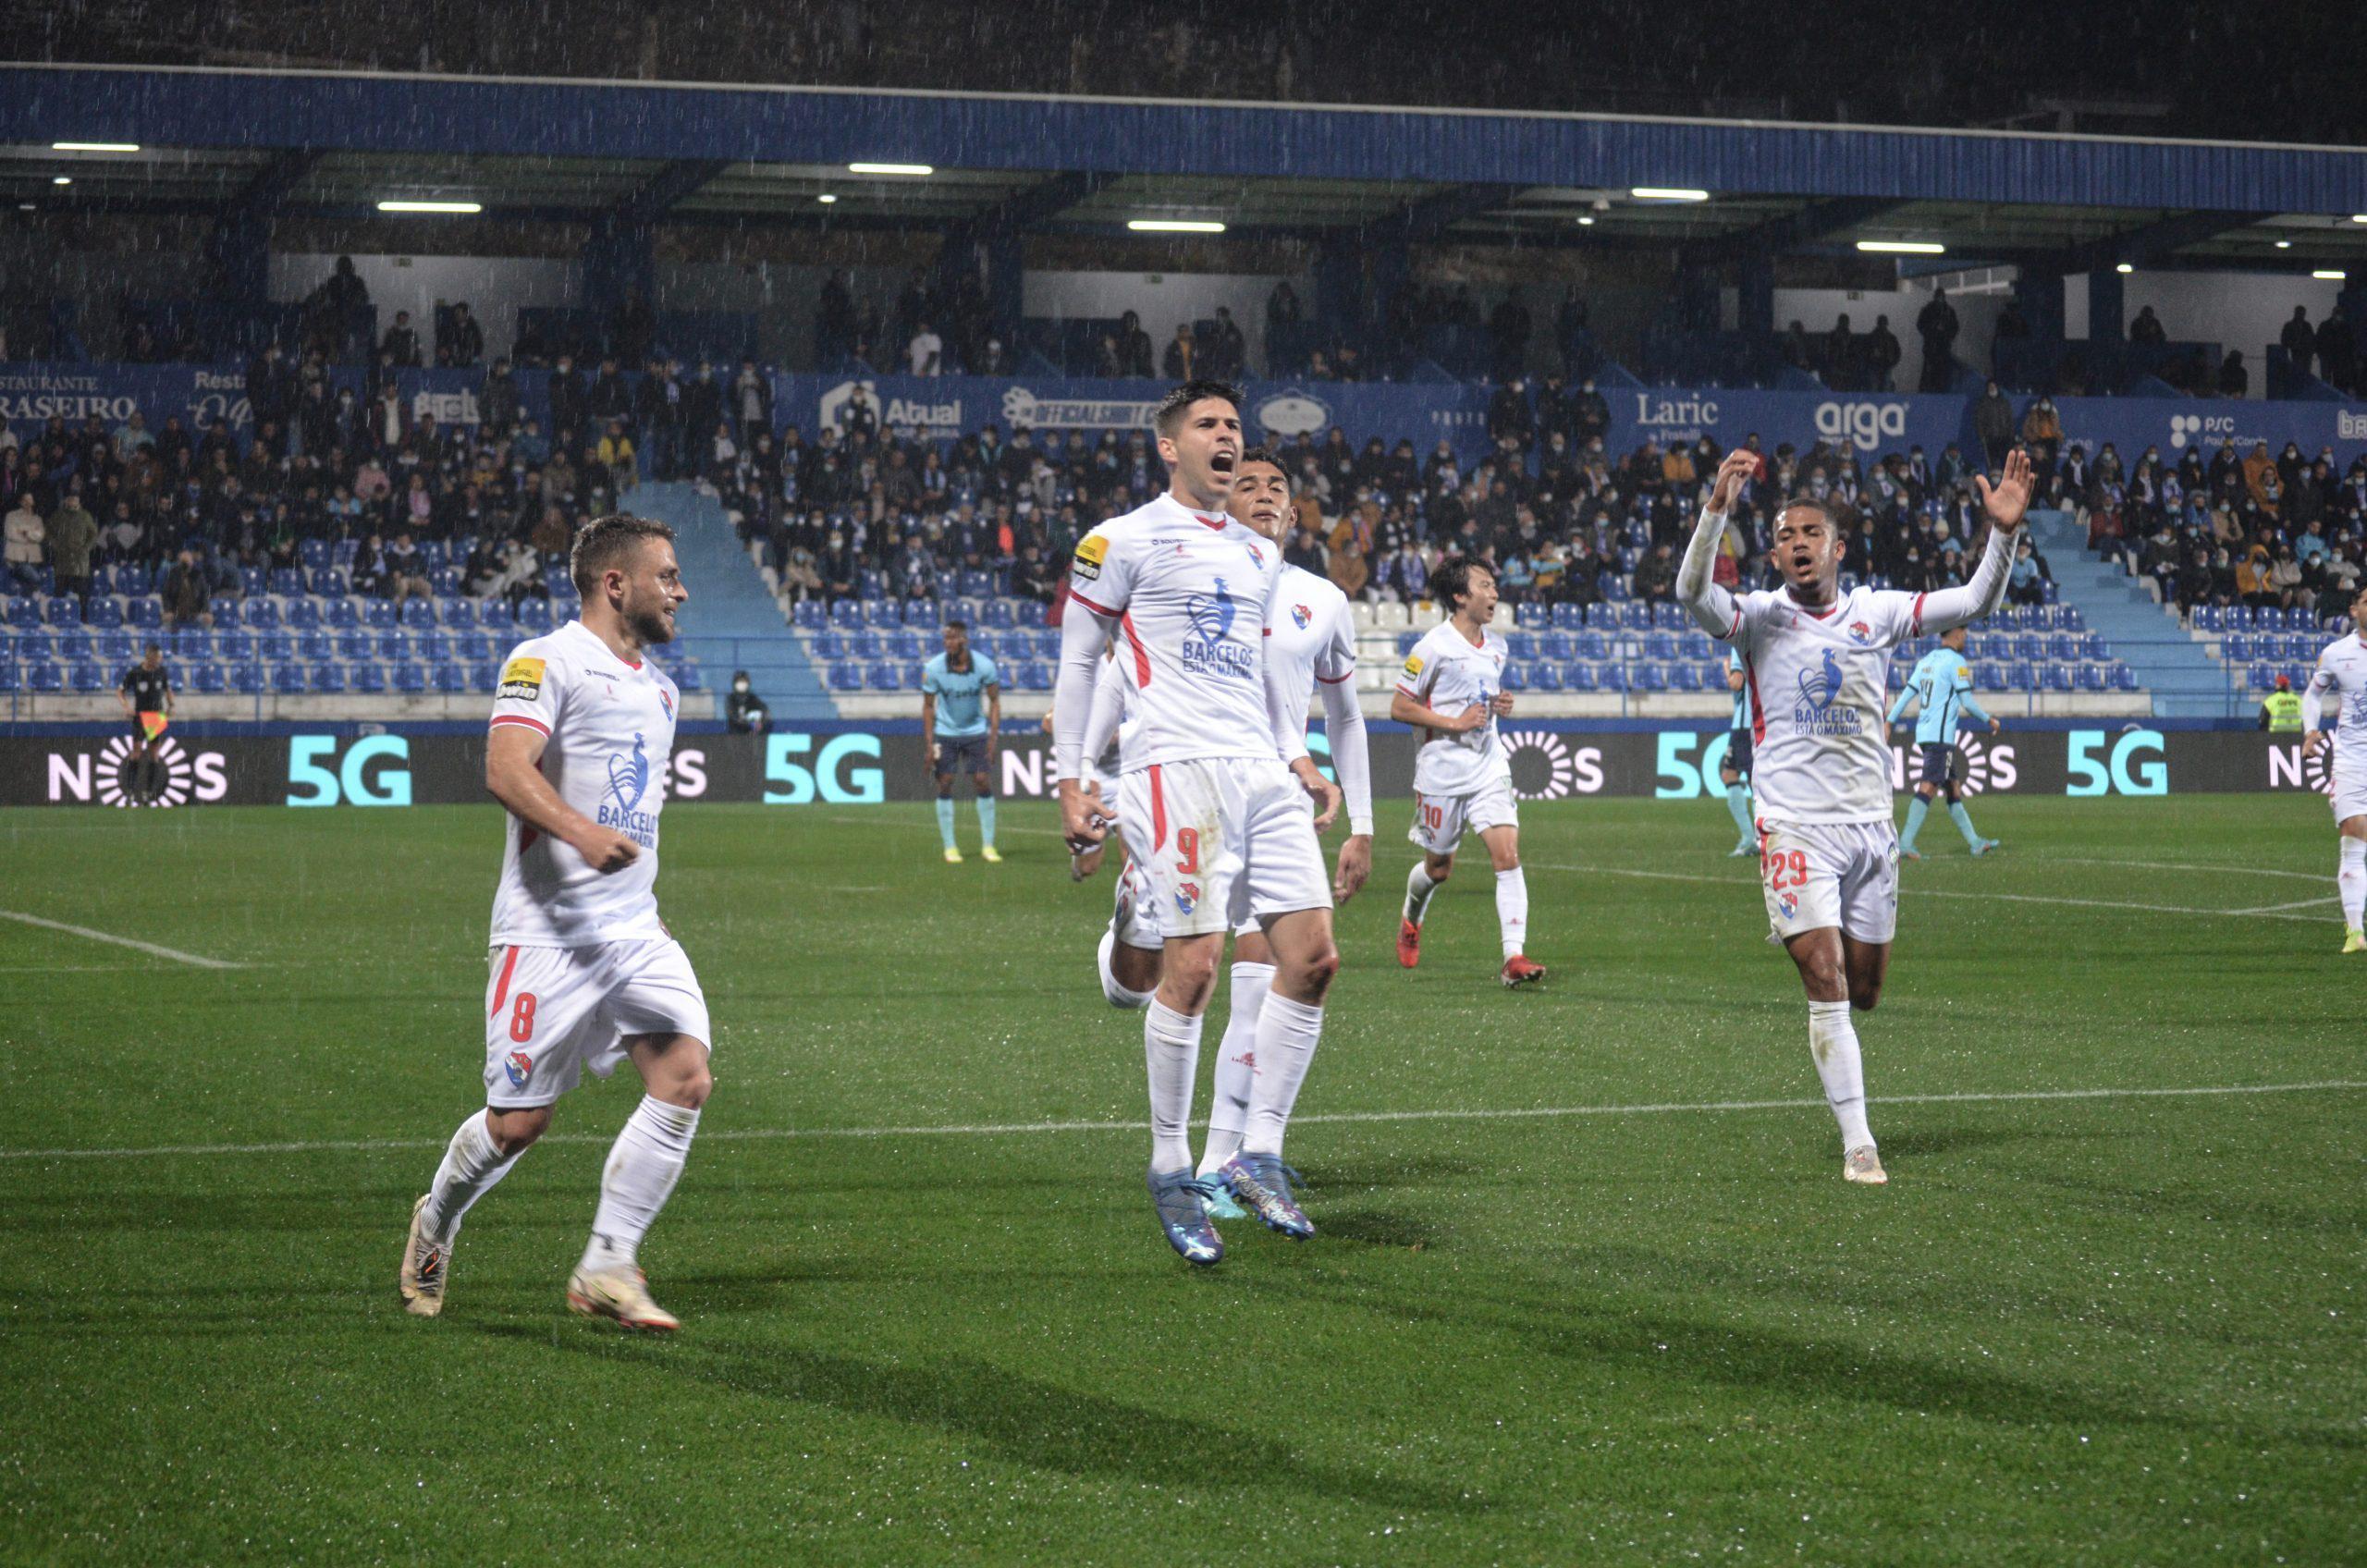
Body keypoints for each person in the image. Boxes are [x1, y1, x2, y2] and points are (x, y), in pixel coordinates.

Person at [1677, 446, 2031, 1184]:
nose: (1797, 543)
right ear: (1773, 554)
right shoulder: (1758, 619)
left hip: (1871, 829)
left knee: (1865, 990)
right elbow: (1692, 596)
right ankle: (1859, 1144)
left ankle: (1823, 965)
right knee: (1827, 977)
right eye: (1784, 535)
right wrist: (1716, 511)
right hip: (1794, 829)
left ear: (1838, 548)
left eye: (1811, 533)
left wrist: (2001, 533)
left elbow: (1973, 604)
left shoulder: (1878, 612)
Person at [1050, 379, 1343, 1267]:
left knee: (1315, 959)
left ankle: (1259, 1155)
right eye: (1209, 427)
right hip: (1173, 769)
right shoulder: (1121, 541)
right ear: (1169, 447)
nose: (1228, 438)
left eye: (1234, 427)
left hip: (1259, 768)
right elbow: (1080, 660)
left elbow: (1255, 682)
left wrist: (1296, 755)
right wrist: (1075, 775)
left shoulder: (1258, 559)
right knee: (1198, 968)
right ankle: (1171, 1166)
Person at [399, 514, 711, 1331]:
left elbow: (633, 813)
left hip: (633, 930)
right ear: (617, 584)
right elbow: (505, 769)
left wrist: (641, 891)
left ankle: (608, 1264)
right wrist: (582, 835)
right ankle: (436, 1219)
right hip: (546, 934)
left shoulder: (662, 689)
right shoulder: (545, 660)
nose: (680, 591)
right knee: (518, 1124)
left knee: (684, 1077)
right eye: (667, 575)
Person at [1190, 447, 1373, 1207]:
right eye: (1246, 484)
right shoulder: (1198, 580)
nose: (1263, 495)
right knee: (1197, 979)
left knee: (1277, 979)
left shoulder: (1321, 599)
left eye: (1277, 489)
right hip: (1209, 791)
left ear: (1294, 514)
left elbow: (1347, 715)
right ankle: (1219, 1161)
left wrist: (1362, 822)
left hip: (1285, 797)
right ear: (1222, 502)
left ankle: (1229, 1162)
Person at [1390, 556, 1544, 987]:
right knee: (1438, 869)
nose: (1494, 593)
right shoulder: (1432, 647)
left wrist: (1501, 705)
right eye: (1484, 586)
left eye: (1494, 586)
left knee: (1507, 856)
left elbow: (1481, 697)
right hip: (1440, 772)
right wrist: (1455, 722)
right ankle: (1411, 917)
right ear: (1460, 596)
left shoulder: (1497, 647)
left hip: (1487, 766)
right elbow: (1399, 707)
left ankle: (1513, 957)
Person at [1887, 626, 2002, 860]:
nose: (1966, 640)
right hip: (1940, 738)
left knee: (1953, 789)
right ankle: (1905, 843)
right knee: (1928, 787)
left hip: (1925, 734)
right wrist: (1988, 719)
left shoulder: (1926, 661)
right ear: (1958, 633)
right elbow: (1967, 702)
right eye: (1965, 635)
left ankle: (1975, 843)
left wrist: (1889, 720)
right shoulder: (1956, 662)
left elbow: (1908, 694)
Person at [2301, 585, 2367, 952]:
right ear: (2354, 610)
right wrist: (2311, 730)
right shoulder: (2336, 654)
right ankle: (2356, 931)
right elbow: (2313, 695)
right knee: (2355, 833)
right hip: (2354, 758)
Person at [920, 619, 1001, 864]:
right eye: (945, 638)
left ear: (964, 640)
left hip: (975, 731)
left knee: (982, 780)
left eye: (953, 638)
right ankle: (950, 847)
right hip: (946, 732)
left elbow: (995, 701)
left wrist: (992, 738)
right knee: (944, 782)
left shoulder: (984, 666)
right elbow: (927, 706)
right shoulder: (933, 668)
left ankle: (988, 845)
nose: (948, 643)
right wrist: (929, 744)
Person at [116, 643, 173, 806]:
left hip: (156, 716)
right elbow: (120, 691)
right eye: (157, 657)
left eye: (160, 658)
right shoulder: (136, 673)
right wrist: (126, 707)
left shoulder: (162, 672)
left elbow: (168, 690)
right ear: (150, 657)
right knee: (137, 752)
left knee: (154, 754)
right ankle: (132, 791)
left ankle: (148, 792)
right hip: (140, 715)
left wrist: (171, 705)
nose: (159, 660)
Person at [1719, 648, 1757, 857]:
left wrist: (1727, 669)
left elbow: (1737, 682)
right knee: (1755, 781)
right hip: (1758, 722)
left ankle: (1749, 838)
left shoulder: (1737, 645)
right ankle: (1760, 838)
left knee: (1731, 775)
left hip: (1744, 726)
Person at [725, 670, 769, 735]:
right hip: (735, 736)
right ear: (734, 683)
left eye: (743, 681)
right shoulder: (730, 699)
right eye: (739, 682)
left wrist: (760, 722)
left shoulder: (753, 698)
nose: (741, 684)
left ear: (748, 683)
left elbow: (764, 712)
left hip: (752, 736)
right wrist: (748, 723)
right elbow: (733, 716)